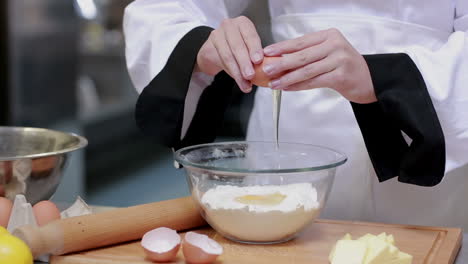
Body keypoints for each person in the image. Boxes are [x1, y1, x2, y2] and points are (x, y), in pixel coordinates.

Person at [123, 0, 468, 229]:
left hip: (424, 127)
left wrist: (389, 78)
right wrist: (204, 44)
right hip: (287, 130)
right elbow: (164, 7)